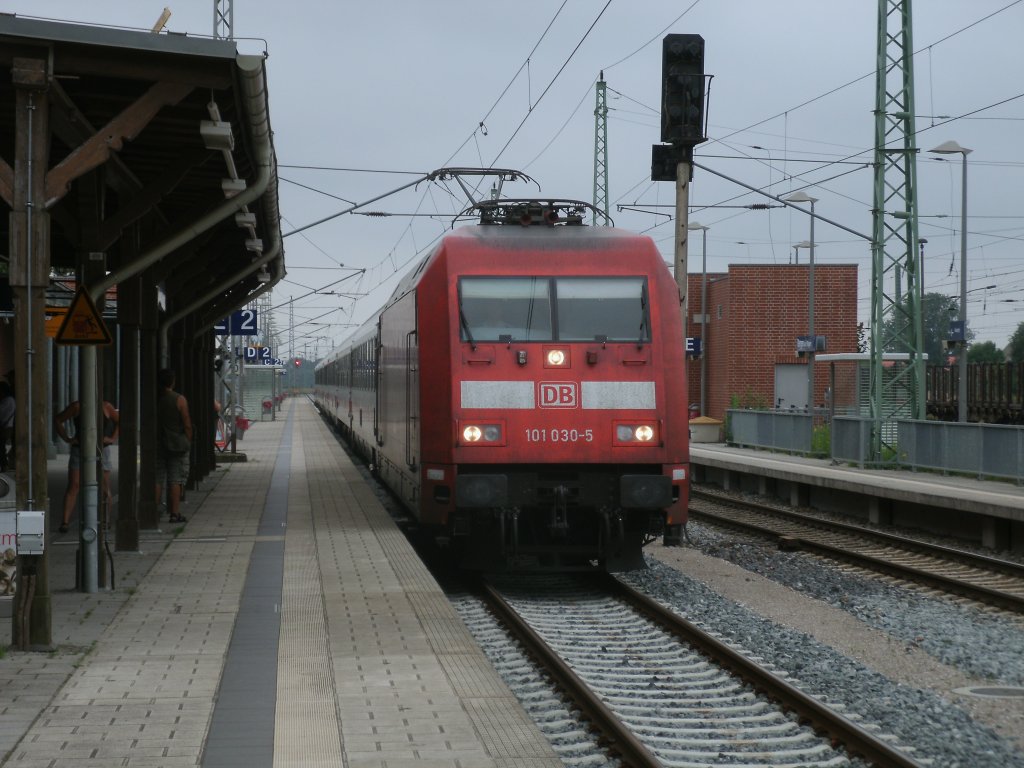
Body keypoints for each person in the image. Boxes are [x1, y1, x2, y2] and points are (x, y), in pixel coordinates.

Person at [54, 399, 120, 533]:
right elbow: (58, 420)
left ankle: (105, 520)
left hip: (101, 449)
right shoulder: (77, 406)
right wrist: (68, 438)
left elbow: (119, 421)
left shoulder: (106, 406)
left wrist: (112, 438)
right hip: (80, 448)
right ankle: (65, 522)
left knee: (104, 486)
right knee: (74, 484)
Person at [156, 368, 192, 524]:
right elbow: (187, 423)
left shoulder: (155, 398)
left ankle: (153, 512)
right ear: (173, 381)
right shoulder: (179, 399)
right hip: (176, 445)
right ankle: (174, 513)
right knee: (175, 479)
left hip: (157, 443)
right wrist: (188, 440)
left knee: (157, 479)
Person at [0, 380, 14, 473]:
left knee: (1, 448)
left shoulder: (8, 401)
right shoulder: (8, 400)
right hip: (5, 427)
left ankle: (4, 465)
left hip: (4, 428)